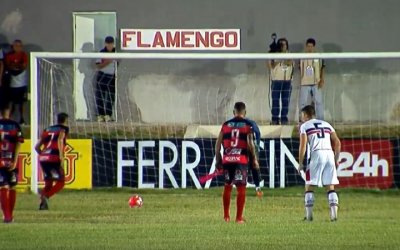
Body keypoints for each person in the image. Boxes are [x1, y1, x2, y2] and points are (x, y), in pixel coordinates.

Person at [215, 102, 259, 223]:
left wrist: (218, 159)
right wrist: (254, 158)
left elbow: (218, 144)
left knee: (227, 186)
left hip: (228, 159)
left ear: (233, 112)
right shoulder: (248, 126)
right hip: (241, 160)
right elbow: (250, 144)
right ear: (245, 113)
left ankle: (226, 216)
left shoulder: (225, 125)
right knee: (241, 188)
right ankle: (239, 218)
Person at [298, 105, 341, 222]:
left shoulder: (305, 126)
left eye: (302, 116)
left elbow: (303, 146)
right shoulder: (327, 124)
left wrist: (300, 163)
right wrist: (336, 159)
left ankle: (309, 216)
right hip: (329, 155)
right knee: (330, 186)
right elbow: (337, 142)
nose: (301, 118)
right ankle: (334, 215)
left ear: (306, 115)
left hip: (317, 154)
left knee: (309, 186)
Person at [35, 113, 69, 210]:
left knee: (48, 183)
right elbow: (60, 140)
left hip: (43, 158)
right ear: (65, 120)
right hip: (54, 157)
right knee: (61, 182)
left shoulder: (47, 129)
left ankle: (42, 204)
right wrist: (61, 157)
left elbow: (36, 147)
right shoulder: (64, 129)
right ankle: (46, 197)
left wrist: (43, 154)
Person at [0, 103, 24, 223]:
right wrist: (15, 160)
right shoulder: (15, 125)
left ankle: (7, 216)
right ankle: (10, 215)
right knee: (12, 186)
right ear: (10, 112)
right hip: (11, 161)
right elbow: (19, 143)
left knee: (3, 186)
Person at [267, 38, 294, 125]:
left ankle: (284, 119)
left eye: (284, 44)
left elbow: (289, 63)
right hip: (276, 81)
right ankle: (274, 119)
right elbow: (270, 66)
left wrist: (282, 57)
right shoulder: (273, 54)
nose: (283, 46)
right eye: (281, 44)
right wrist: (277, 56)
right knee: (275, 101)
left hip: (287, 81)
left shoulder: (290, 54)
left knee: (285, 101)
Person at [299, 38, 325, 120]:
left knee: (318, 102)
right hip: (305, 82)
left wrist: (322, 79)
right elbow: (299, 67)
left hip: (316, 82)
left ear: (314, 47)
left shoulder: (318, 56)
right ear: (306, 47)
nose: (310, 48)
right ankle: (302, 120)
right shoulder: (302, 56)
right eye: (308, 46)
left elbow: (322, 68)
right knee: (303, 102)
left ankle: (320, 120)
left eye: (311, 46)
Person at [4, 40, 28, 125]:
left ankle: (22, 119)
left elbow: (24, 66)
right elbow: (8, 66)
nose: (18, 48)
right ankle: (8, 119)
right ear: (13, 46)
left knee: (22, 103)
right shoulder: (9, 55)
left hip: (22, 83)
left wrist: (16, 66)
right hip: (12, 83)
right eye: (16, 46)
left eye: (20, 46)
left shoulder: (23, 55)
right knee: (11, 103)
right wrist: (17, 66)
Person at [95, 36, 117, 122]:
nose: (109, 46)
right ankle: (100, 115)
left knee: (111, 96)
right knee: (100, 96)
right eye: (108, 44)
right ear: (105, 44)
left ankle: (108, 114)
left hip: (112, 76)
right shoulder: (102, 52)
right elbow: (98, 66)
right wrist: (108, 61)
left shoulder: (116, 52)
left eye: (111, 44)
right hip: (102, 75)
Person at [245, 118, 263, 198]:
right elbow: (258, 133)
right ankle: (257, 188)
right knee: (253, 167)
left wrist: (256, 146)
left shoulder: (250, 123)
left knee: (252, 167)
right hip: (248, 148)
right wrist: (257, 146)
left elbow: (257, 133)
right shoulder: (251, 122)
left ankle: (257, 187)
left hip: (244, 149)